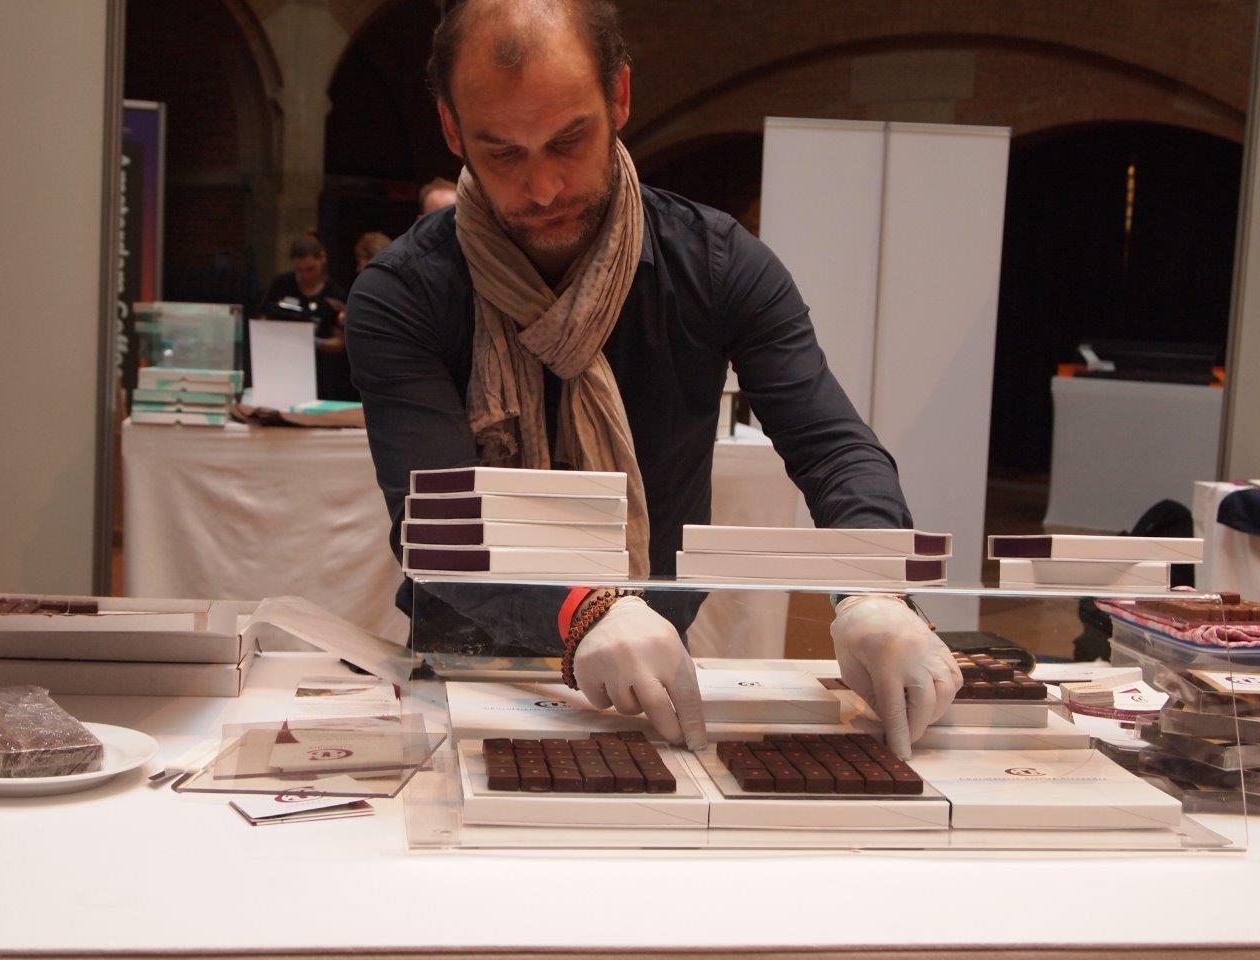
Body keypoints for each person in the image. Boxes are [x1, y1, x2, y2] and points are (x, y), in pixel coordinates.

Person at [345, 0, 958, 757]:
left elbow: (834, 449)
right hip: (467, 666)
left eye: (569, 141)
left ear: (620, 96)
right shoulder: (403, 295)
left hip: (652, 659)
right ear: (451, 129)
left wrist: (871, 587)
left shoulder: (716, 265)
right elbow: (438, 520)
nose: (543, 187)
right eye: (502, 153)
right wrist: (587, 609)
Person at [258, 233, 358, 401]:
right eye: (299, 270)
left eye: (310, 269)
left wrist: (311, 341)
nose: (305, 275)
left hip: (321, 373)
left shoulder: (334, 294)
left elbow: (339, 342)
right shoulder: (281, 285)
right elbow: (263, 319)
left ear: (322, 259)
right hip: (282, 366)